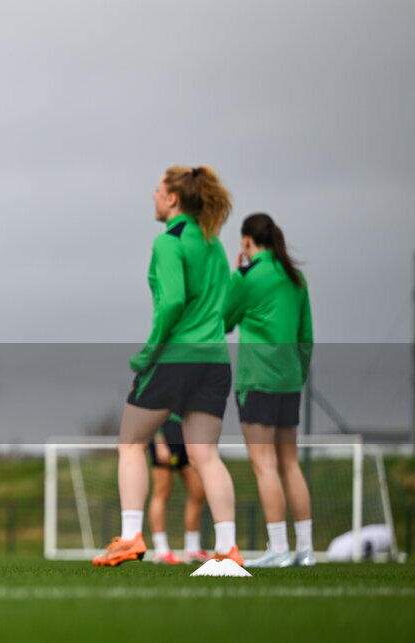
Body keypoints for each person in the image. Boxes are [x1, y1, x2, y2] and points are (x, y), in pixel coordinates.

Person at [93, 166, 243, 567]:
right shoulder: (214, 245)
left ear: (173, 199)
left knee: (131, 443)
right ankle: (228, 547)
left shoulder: (168, 242)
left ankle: (130, 537)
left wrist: (149, 352)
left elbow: (173, 302)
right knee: (205, 455)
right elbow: (225, 304)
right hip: (214, 360)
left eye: (158, 191)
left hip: (176, 357)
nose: (154, 197)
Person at [223, 213, 314, 567]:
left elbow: (224, 320)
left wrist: (236, 274)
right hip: (289, 381)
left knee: (264, 465)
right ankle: (304, 551)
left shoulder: (247, 277)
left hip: (257, 381)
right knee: (289, 464)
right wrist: (297, 376)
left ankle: (278, 548)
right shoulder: (297, 278)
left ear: (247, 242)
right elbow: (306, 338)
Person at [147, 415, 208, 564]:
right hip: (166, 432)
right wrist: (160, 442)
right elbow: (153, 406)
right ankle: (161, 550)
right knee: (161, 492)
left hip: (186, 434)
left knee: (198, 491)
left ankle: (192, 549)